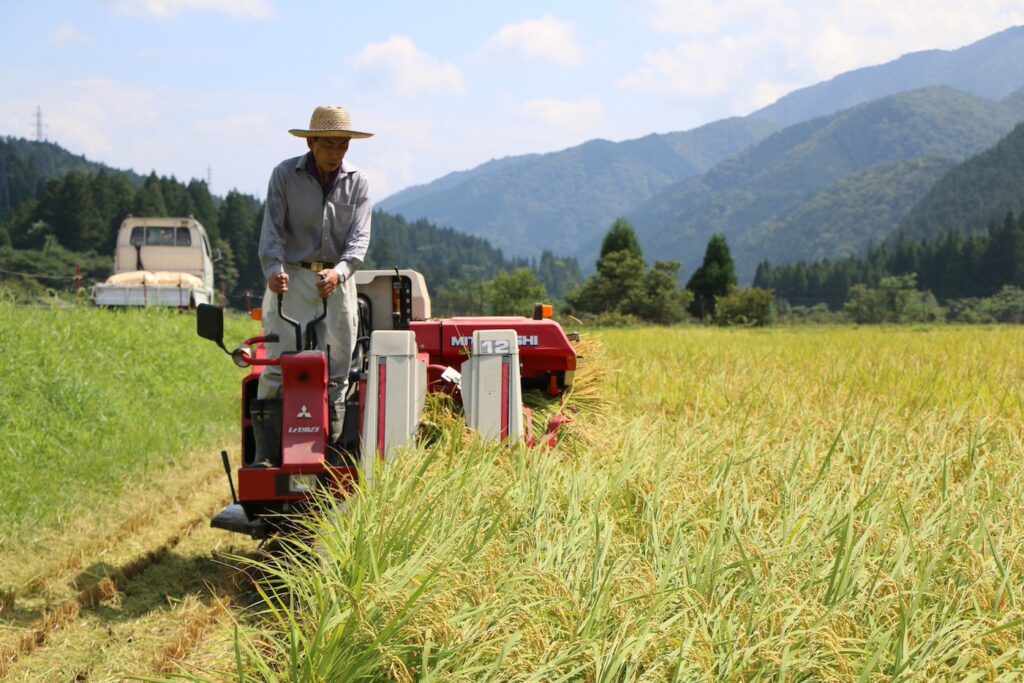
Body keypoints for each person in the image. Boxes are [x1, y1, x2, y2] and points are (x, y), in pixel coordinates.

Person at [253, 105, 373, 465]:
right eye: (330, 145)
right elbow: (271, 229)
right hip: (291, 276)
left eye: (343, 146)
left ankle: (332, 451)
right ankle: (268, 454)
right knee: (276, 365)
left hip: (337, 279)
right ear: (312, 142)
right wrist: (273, 269)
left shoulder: (359, 182)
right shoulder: (284, 175)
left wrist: (340, 272)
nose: (337, 154)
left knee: (338, 368)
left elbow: (359, 239)